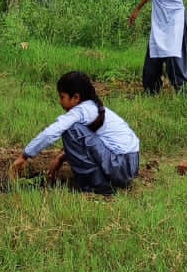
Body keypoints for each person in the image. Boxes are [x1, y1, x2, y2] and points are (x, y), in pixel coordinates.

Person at [10, 71, 141, 195]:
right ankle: (104, 181)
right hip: (130, 164)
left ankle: (97, 185)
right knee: (75, 129)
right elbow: (90, 141)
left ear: (76, 97)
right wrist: (61, 157)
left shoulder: (81, 111)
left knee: (70, 130)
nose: (60, 102)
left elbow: (50, 133)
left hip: (120, 165)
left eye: (62, 97)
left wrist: (24, 156)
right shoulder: (93, 108)